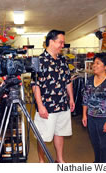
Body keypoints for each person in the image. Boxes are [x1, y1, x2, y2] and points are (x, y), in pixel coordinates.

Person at [31, 30, 75, 163]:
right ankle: (41, 161)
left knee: (60, 132)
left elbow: (68, 80)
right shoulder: (38, 61)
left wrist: (71, 98)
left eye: (63, 42)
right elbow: (35, 84)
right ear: (51, 42)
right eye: (60, 42)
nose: (63, 45)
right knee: (43, 135)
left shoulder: (62, 60)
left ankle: (60, 159)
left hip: (62, 104)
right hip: (47, 106)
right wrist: (40, 105)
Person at [82, 53, 106, 163]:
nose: (94, 65)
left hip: (104, 118)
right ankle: (97, 163)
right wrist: (84, 115)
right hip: (91, 117)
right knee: (95, 143)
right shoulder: (89, 80)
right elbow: (85, 98)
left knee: (104, 144)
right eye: (94, 63)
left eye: (98, 63)